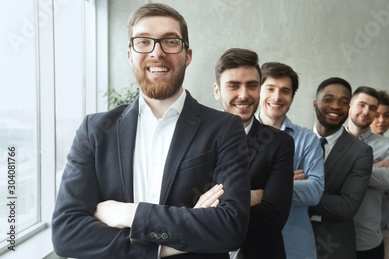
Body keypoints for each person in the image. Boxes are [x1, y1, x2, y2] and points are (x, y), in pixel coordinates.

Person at [52, 3, 251, 258]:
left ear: (187, 55)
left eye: (170, 41)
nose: (157, 53)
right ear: (129, 55)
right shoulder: (95, 130)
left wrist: (129, 213)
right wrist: (166, 244)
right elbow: (66, 234)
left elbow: (230, 229)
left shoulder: (224, 129)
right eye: (143, 42)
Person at [213, 48, 294, 259]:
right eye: (233, 86)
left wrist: (215, 203)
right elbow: (182, 206)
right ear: (217, 91)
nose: (244, 95)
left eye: (252, 85)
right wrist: (246, 197)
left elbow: (274, 217)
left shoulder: (280, 143)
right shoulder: (196, 138)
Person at [256, 62, 324, 259]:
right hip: (249, 240)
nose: (277, 97)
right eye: (270, 89)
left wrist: (257, 191)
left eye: (285, 91)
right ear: (259, 91)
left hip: (295, 243)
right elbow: (230, 190)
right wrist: (283, 181)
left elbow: (314, 192)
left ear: (292, 97)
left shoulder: (308, 139)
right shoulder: (238, 133)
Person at [309, 77, 373, 259]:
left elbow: (346, 207)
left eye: (343, 102)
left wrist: (294, 191)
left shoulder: (361, 151)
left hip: (333, 246)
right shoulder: (295, 140)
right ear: (315, 103)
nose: (336, 106)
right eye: (328, 99)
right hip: (291, 238)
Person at [346, 86, 389, 259]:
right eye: (362, 105)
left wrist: (344, 168)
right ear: (350, 105)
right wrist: (373, 167)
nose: (366, 111)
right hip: (331, 237)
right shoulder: (331, 139)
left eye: (372, 108)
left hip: (368, 239)